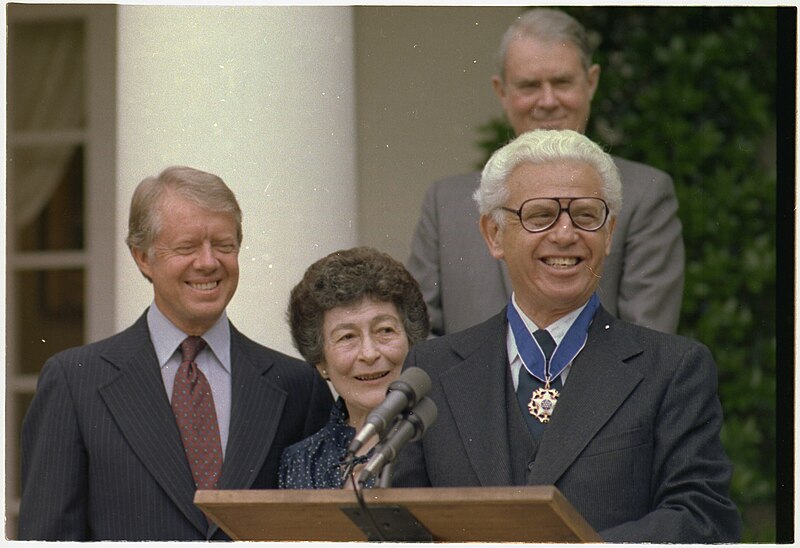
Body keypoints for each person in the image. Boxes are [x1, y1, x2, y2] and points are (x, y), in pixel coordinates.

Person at [392, 130, 740, 543]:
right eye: (540, 215)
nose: (564, 234)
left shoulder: (672, 369)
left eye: (586, 215)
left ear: (609, 233)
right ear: (494, 234)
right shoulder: (433, 370)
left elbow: (702, 518)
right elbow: (401, 526)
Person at [18, 166, 333, 541]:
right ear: (143, 258)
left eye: (224, 245)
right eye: (187, 247)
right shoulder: (75, 382)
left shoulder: (298, 386)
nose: (208, 262)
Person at [407, 7, 684, 336]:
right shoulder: (447, 203)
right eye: (529, 85)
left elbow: (647, 346)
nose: (548, 100)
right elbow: (420, 341)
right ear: (502, 92)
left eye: (562, 82)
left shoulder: (644, 194)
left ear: (591, 82)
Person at [279, 246, 429, 489]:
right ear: (321, 362)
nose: (369, 354)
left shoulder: (444, 447)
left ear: (411, 341)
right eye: (347, 337)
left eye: (385, 331)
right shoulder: (301, 462)